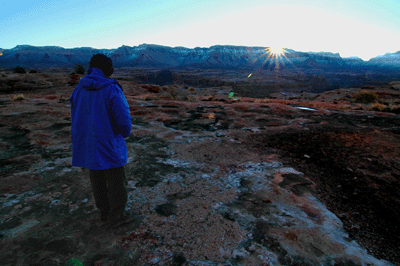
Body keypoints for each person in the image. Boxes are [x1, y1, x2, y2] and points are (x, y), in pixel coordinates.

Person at [70, 54, 132, 228]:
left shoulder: (79, 89)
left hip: (88, 143)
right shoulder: (111, 89)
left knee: (96, 177)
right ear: (106, 68)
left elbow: (75, 114)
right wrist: (125, 132)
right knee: (116, 180)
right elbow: (123, 118)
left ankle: (103, 211)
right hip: (108, 142)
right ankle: (117, 216)